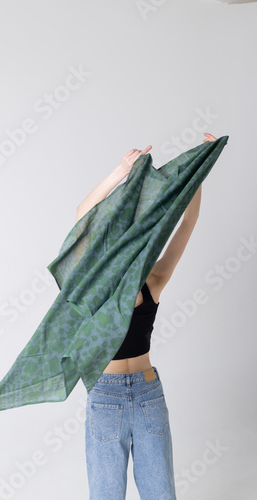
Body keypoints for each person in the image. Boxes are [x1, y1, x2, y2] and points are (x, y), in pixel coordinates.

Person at [75, 132, 217, 500]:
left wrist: (197, 173)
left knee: (161, 494)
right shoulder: (95, 284)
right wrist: (119, 172)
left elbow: (186, 225)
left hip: (148, 392)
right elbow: (81, 218)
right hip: (105, 394)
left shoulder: (152, 280)